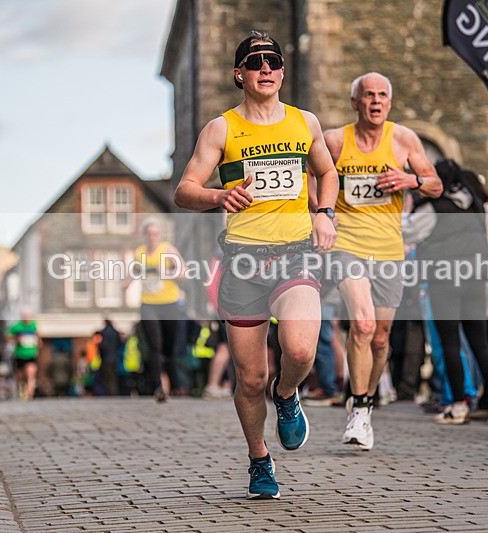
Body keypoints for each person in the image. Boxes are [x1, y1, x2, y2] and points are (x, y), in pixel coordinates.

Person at [174, 30, 338, 499]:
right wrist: (217, 194)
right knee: (249, 378)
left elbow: (327, 172)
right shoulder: (221, 129)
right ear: (239, 73)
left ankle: (286, 395)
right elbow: (184, 190)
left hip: (294, 253)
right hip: (243, 262)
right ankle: (259, 460)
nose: (265, 67)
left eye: (273, 60)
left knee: (301, 350)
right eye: (255, 60)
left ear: (282, 71)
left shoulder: (304, 122)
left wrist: (324, 213)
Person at [317, 72, 442, 450]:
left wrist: (409, 182)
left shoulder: (403, 139)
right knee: (364, 323)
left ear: (389, 102)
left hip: (389, 248)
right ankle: (358, 406)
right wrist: (322, 211)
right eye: (367, 95)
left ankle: (367, 404)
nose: (375, 101)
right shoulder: (336, 140)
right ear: (355, 102)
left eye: (382, 95)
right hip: (347, 245)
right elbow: (312, 176)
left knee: (382, 337)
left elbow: (435, 184)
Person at [415, 159, 488, 425]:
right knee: (481, 344)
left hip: (444, 280)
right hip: (475, 279)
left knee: (450, 345)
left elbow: (407, 231)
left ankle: (458, 406)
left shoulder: (434, 209)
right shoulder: (477, 207)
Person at [127, 221, 186, 402]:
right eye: (149, 234)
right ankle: (158, 387)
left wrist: (167, 271)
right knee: (155, 345)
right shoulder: (140, 253)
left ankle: (172, 383)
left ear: (160, 235)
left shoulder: (168, 250)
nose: (152, 237)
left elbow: (183, 273)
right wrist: (126, 282)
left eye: (155, 233)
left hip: (168, 303)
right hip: (148, 304)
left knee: (168, 346)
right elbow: (134, 271)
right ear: (145, 236)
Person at [7, 311, 41, 400]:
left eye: (28, 316)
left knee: (31, 374)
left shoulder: (34, 325)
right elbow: (8, 337)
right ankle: (21, 391)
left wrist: (38, 342)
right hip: (19, 355)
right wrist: (17, 339)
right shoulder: (16, 326)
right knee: (20, 376)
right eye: (25, 316)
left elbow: (38, 336)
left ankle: (30, 393)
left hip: (31, 354)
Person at [98, 319, 123, 396]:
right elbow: (119, 344)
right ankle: (114, 392)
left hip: (106, 358)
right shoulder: (116, 332)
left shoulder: (103, 333)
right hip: (115, 358)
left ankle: (109, 392)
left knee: (107, 377)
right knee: (113, 377)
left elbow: (102, 346)